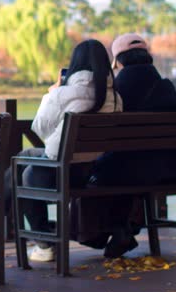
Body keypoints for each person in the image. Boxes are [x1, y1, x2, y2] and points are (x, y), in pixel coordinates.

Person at [17, 39, 123, 262]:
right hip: (87, 173)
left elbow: (39, 128)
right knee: (23, 158)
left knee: (21, 172)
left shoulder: (63, 94)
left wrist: (51, 94)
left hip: (55, 174)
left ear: (75, 65)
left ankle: (43, 243)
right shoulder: (115, 98)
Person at [83, 33, 176, 258]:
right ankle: (123, 230)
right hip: (169, 170)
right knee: (122, 166)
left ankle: (109, 232)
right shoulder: (167, 87)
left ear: (118, 61)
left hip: (129, 172)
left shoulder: (117, 89)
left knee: (93, 173)